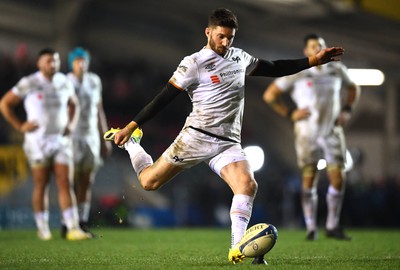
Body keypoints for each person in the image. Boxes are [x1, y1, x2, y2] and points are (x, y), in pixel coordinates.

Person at [104, 9, 345, 264]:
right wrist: (131, 126)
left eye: (230, 37)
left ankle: (237, 248)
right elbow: (164, 98)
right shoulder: (193, 63)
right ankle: (133, 145)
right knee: (149, 183)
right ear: (208, 32)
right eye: (221, 36)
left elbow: (274, 68)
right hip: (196, 137)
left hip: (228, 142)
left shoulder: (239, 57)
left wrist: (312, 60)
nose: (225, 42)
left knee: (248, 185)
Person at [263, 33, 360, 241]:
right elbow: (270, 95)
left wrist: (347, 110)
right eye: (314, 45)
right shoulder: (298, 72)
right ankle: (310, 227)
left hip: (332, 131)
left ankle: (332, 225)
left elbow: (353, 88)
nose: (318, 48)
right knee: (309, 178)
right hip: (307, 133)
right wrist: (289, 113)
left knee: (338, 179)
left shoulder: (336, 69)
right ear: (305, 51)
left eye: (321, 45)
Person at [0, 48, 90, 241]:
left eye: (56, 61)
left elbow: (74, 103)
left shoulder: (63, 81)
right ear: (39, 63)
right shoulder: (30, 82)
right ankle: (43, 228)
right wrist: (20, 125)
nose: (53, 64)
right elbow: (5, 103)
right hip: (37, 141)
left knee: (65, 182)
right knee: (41, 184)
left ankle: (73, 227)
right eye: (49, 61)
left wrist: (71, 125)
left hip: (60, 140)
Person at [63, 47, 112, 237]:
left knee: (86, 181)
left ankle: (82, 222)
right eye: (77, 61)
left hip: (90, 136)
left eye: (84, 60)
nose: (81, 64)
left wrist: (104, 137)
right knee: (69, 181)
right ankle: (67, 222)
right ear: (72, 63)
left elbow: (99, 111)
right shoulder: (66, 81)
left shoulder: (94, 81)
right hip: (72, 136)